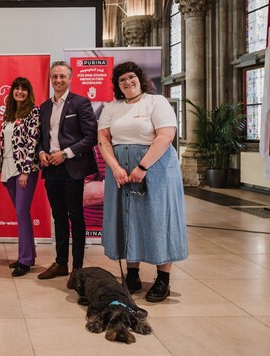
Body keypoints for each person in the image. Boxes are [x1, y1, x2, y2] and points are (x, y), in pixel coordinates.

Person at [97, 61, 187, 303]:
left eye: (131, 77)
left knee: (159, 218)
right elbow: (103, 139)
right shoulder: (112, 107)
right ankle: (133, 275)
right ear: (117, 85)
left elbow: (166, 135)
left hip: (156, 169)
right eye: (122, 80)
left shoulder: (156, 102)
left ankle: (163, 279)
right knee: (127, 219)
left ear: (140, 78)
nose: (127, 82)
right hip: (120, 171)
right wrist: (115, 167)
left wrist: (143, 166)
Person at [37, 61, 98, 285]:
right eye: (54, 77)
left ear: (70, 78)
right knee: (59, 217)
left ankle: (78, 268)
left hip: (72, 167)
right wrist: (41, 152)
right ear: (50, 79)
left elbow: (90, 137)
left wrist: (66, 153)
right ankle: (61, 263)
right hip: (51, 169)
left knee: (76, 218)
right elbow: (40, 138)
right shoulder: (43, 107)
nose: (58, 80)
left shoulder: (81, 103)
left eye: (62, 76)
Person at [0, 77, 41, 277]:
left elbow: (32, 142)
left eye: (24, 89)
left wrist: (25, 170)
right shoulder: (9, 113)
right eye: (17, 88)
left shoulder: (33, 111)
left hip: (24, 169)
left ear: (28, 92)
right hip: (7, 167)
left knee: (22, 213)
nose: (20, 92)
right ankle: (28, 256)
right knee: (21, 214)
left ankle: (24, 260)